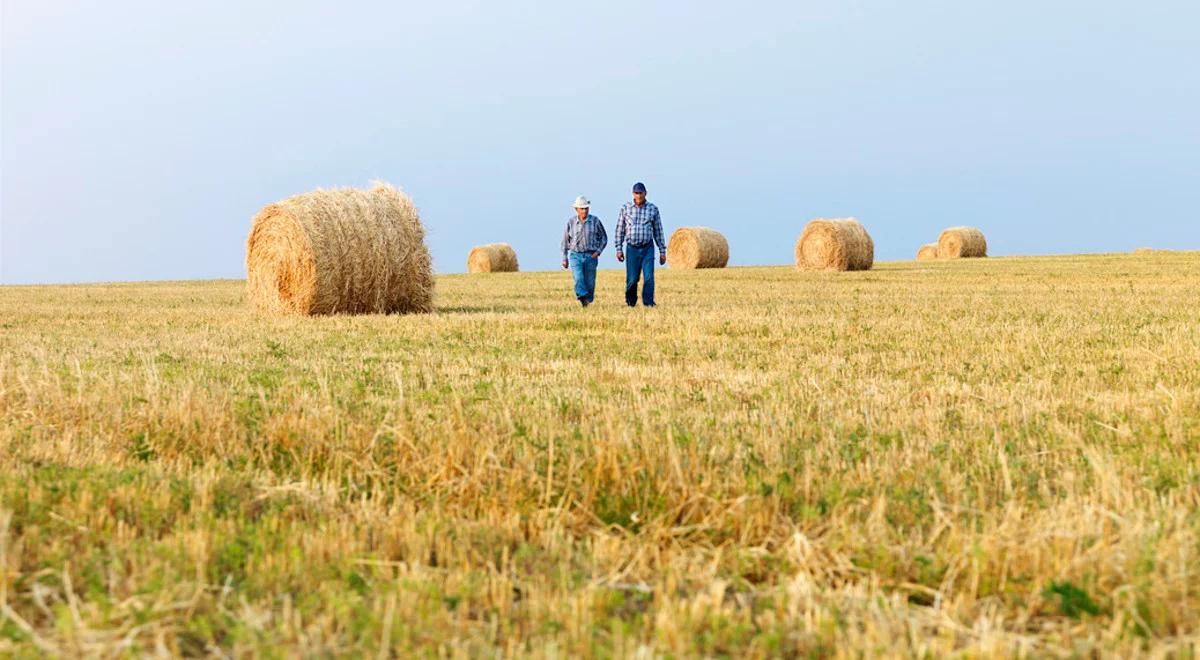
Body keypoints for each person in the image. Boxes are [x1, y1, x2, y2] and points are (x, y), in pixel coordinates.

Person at [613, 182, 666, 307]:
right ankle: (630, 301)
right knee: (632, 279)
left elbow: (658, 231)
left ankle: (648, 303)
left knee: (649, 277)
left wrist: (662, 251)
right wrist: (618, 249)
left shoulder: (653, 209)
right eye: (636, 193)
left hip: (648, 248)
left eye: (641, 193)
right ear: (633, 194)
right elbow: (619, 229)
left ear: (645, 193)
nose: (639, 195)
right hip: (632, 248)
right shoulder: (625, 209)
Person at [560, 195, 607, 307]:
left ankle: (587, 301)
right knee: (578, 277)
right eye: (582, 208)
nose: (584, 210)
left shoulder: (595, 221)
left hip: (591, 256)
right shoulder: (571, 222)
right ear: (576, 209)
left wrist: (598, 252)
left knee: (590, 283)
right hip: (575, 255)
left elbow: (604, 238)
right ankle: (582, 297)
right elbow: (565, 241)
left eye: (586, 208)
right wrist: (564, 257)